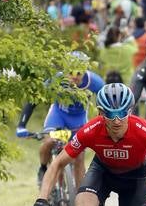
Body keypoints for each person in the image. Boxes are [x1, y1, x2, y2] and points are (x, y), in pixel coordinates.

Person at [16, 52, 104, 188]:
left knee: (79, 156)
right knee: (49, 141)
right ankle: (43, 168)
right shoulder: (57, 79)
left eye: (78, 73)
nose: (74, 77)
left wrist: (102, 123)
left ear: (85, 70)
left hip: (79, 120)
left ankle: (80, 198)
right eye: (70, 72)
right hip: (58, 117)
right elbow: (34, 100)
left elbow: (106, 102)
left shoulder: (94, 81)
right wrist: (21, 125)